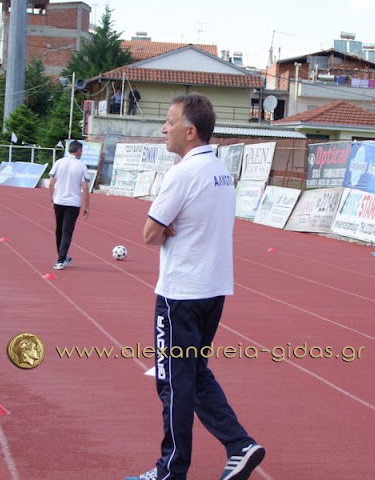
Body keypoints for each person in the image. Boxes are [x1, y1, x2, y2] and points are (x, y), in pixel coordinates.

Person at [126, 94, 265, 480]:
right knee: (195, 373)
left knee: (172, 381)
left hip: (180, 294)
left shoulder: (183, 173)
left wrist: (166, 227)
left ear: (190, 131)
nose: (163, 129)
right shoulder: (220, 170)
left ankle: (170, 471)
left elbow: (149, 233)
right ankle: (239, 444)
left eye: (169, 122)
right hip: (213, 289)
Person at [49, 140, 89, 270]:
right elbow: (85, 187)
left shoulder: (58, 162)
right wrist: (86, 206)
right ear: (78, 151)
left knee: (59, 229)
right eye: (81, 151)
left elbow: (51, 183)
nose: (81, 153)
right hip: (73, 203)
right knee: (67, 231)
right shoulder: (81, 166)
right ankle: (61, 259)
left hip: (59, 201)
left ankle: (61, 256)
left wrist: (52, 197)